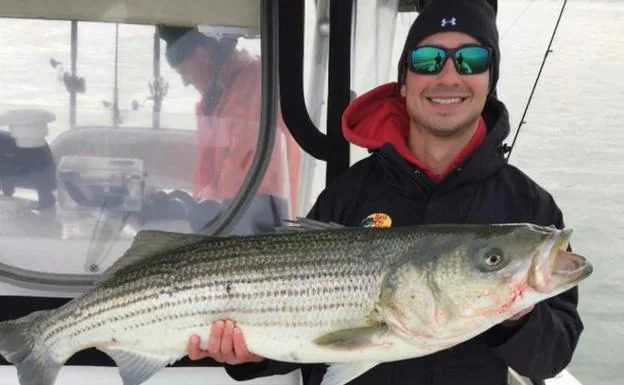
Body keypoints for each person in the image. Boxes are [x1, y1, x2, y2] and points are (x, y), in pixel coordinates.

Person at [184, 0, 585, 384]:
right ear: (405, 83)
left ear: (489, 80)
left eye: (472, 60)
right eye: (427, 61)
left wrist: (515, 311)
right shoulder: (349, 193)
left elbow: (554, 355)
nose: (448, 77)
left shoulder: (529, 207)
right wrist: (248, 356)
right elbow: (300, 333)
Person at [156, 26, 301, 230]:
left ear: (202, 54)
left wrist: (196, 207)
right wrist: (195, 202)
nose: (185, 82)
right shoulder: (221, 92)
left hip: (260, 224)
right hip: (234, 217)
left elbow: (242, 175)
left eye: (184, 72)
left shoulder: (251, 89)